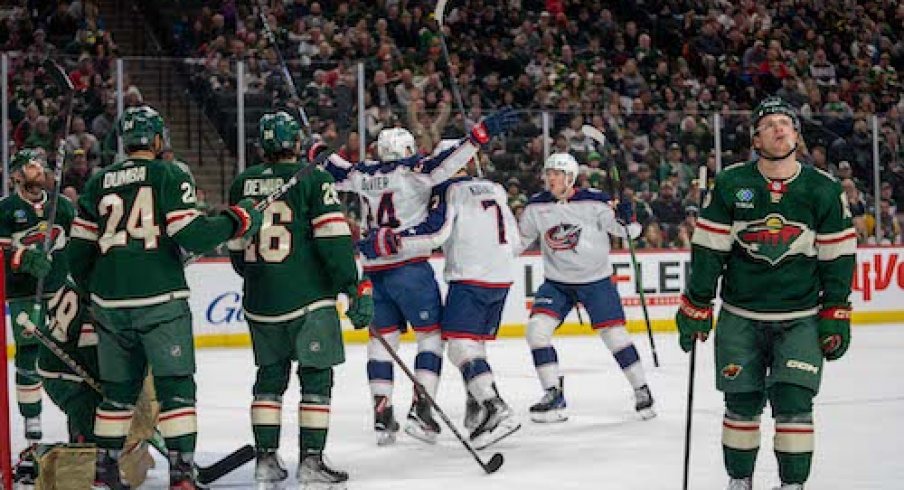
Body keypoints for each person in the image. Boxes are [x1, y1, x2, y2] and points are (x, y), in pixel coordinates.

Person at [67, 105, 262, 489]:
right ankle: (181, 473)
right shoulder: (169, 173)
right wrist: (237, 219)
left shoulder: (98, 181)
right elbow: (191, 235)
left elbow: (77, 253)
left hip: (109, 306)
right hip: (160, 300)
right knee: (176, 389)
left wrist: (99, 290)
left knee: (117, 394)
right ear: (157, 140)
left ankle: (105, 472)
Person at [676, 96, 856, 490]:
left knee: (794, 405)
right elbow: (709, 250)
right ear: (756, 140)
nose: (779, 129)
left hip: (801, 319)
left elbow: (837, 256)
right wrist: (697, 303)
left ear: (798, 134)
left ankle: (792, 486)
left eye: (786, 123)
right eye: (770, 124)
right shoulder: (731, 184)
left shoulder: (822, 189)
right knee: (740, 405)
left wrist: (837, 311)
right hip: (740, 318)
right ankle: (739, 482)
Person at [321, 108, 519, 445]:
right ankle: (422, 410)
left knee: (381, 341)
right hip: (410, 268)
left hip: (372, 269)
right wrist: (478, 137)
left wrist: (315, 150)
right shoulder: (419, 173)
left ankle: (382, 415)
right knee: (432, 338)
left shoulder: (362, 173)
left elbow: (333, 169)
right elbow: (442, 169)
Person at [227, 111, 373, 488]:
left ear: (262, 145)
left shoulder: (242, 183)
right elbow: (334, 241)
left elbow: (237, 251)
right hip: (309, 300)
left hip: (260, 302)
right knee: (316, 379)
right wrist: (351, 286)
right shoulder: (314, 178)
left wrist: (261, 277)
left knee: (269, 380)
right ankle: (310, 462)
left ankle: (265, 462)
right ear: (296, 143)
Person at [515, 152, 656, 423]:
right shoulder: (536, 207)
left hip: (596, 281)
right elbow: (519, 242)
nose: (550, 179)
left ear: (570, 177)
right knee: (536, 332)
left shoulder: (595, 201)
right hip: (557, 283)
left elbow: (628, 233)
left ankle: (641, 389)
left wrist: (629, 218)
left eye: (556, 174)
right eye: (548, 173)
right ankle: (552, 393)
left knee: (615, 337)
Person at [0, 149, 76, 445]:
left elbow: (79, 245)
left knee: (72, 352)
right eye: (29, 169)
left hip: (60, 291)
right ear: (16, 175)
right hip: (23, 294)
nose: (36, 173)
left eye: (39, 168)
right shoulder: (6, 210)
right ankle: (32, 415)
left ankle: (79, 414)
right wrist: (23, 259)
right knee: (30, 352)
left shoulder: (64, 207)